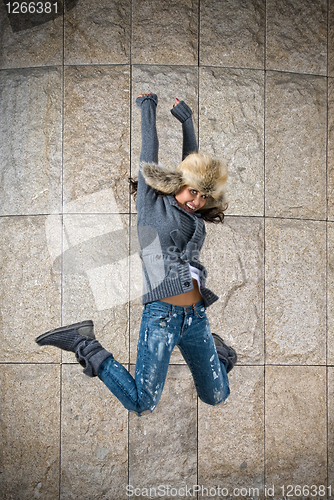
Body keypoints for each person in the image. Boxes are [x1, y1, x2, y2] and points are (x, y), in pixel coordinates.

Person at [35, 93, 237, 416]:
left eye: (202, 195)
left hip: (195, 316)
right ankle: (83, 341)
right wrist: (149, 108)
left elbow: (193, 163)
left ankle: (218, 352)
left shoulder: (194, 217)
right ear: (177, 184)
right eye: (191, 191)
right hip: (162, 316)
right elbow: (149, 154)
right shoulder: (151, 205)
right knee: (143, 402)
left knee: (216, 396)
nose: (196, 200)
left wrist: (187, 122)